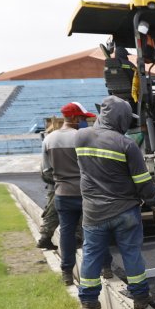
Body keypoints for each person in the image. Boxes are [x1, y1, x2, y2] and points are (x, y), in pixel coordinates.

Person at [75, 96, 155, 309]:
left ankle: (88, 302)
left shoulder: (81, 137)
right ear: (121, 118)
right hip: (125, 210)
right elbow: (142, 181)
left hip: (94, 212)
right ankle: (140, 297)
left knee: (91, 255)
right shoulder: (127, 144)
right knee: (131, 253)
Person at [43, 102, 116, 285]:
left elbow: (45, 172)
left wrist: (60, 182)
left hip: (62, 194)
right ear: (75, 118)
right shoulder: (84, 137)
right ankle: (105, 267)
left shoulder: (49, 139)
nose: (84, 122)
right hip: (87, 194)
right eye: (83, 118)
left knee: (66, 234)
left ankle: (67, 273)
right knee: (96, 231)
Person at [36, 117, 65, 250]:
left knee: (52, 212)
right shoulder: (55, 145)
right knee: (54, 211)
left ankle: (45, 237)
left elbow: (44, 172)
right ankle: (45, 238)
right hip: (60, 184)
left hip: (55, 184)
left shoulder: (50, 144)